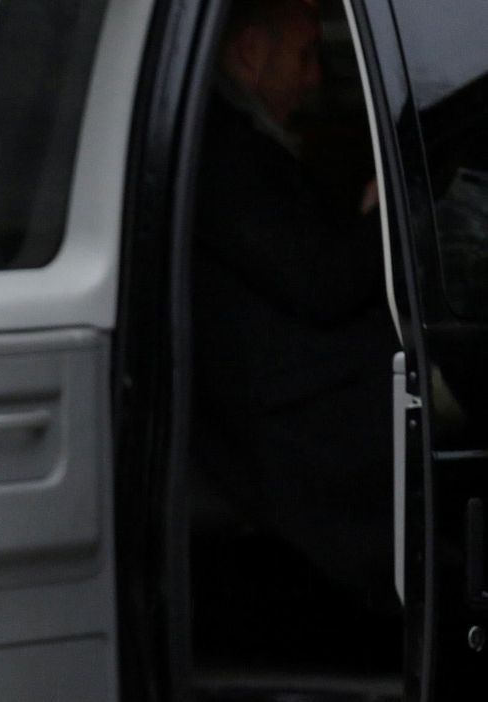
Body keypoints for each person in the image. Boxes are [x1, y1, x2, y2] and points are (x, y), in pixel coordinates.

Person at [190, 0, 400, 659]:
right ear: (250, 55)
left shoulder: (243, 140)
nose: (314, 81)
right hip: (281, 425)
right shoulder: (221, 150)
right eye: (305, 58)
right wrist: (385, 215)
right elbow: (321, 282)